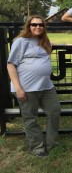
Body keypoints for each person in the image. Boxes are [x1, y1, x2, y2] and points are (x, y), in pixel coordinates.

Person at [7, 15, 61, 157]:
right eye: (34, 25)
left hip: (46, 86)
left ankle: (52, 143)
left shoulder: (44, 41)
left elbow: (51, 45)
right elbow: (11, 65)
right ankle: (37, 147)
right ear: (29, 26)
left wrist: (68, 46)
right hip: (26, 87)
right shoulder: (20, 42)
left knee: (54, 111)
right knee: (30, 118)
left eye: (41, 25)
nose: (38, 27)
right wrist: (18, 88)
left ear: (44, 27)